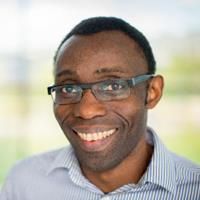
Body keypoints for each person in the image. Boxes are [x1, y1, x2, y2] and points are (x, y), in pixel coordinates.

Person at [1, 16, 199, 200]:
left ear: (152, 92)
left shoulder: (193, 190)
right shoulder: (24, 184)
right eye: (68, 88)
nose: (86, 111)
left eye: (113, 86)